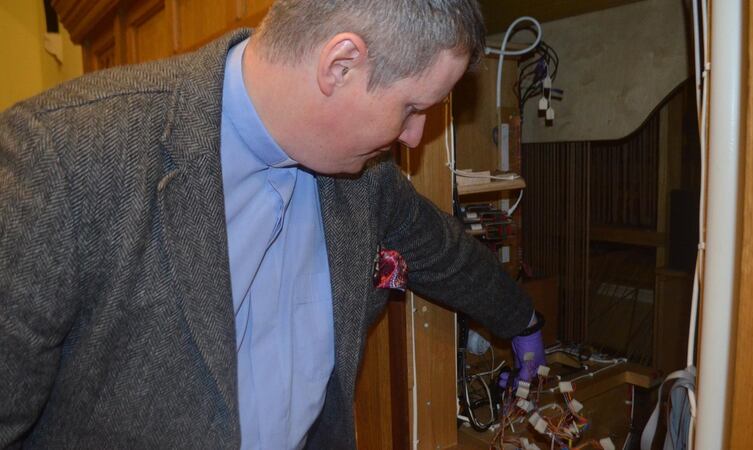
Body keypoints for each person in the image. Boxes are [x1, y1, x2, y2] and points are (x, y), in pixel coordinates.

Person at [0, 0, 540, 448]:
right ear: (341, 64)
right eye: (412, 108)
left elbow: (442, 251)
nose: (415, 137)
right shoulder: (59, 158)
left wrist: (524, 323)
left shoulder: (365, 175)